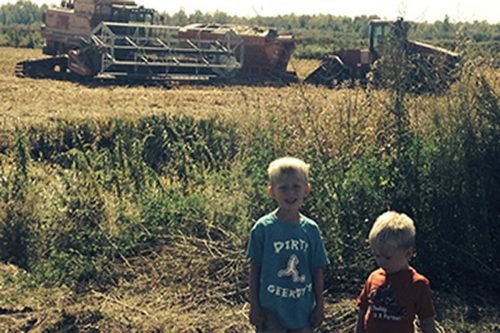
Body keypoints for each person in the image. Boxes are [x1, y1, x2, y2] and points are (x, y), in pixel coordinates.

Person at [246, 156, 330, 333]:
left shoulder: (311, 230)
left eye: (296, 187)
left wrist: (320, 306)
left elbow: (317, 269)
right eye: (283, 188)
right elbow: (255, 269)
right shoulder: (263, 229)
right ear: (271, 191)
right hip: (271, 309)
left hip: (302, 308)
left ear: (307, 190)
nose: (290, 194)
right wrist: (254, 305)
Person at [355, 211, 437, 333]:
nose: (381, 262)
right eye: (377, 256)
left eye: (387, 257)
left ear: (408, 253)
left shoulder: (418, 284)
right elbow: (362, 312)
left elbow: (427, 321)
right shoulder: (374, 278)